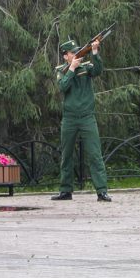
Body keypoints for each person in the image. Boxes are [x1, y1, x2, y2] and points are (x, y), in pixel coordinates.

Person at [51, 39, 112, 202]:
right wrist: (71, 69)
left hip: (87, 117)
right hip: (69, 118)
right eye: (73, 53)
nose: (76, 54)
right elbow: (63, 87)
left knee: (95, 154)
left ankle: (101, 191)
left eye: (78, 52)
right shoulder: (61, 70)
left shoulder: (87, 67)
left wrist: (94, 52)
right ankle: (66, 190)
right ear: (65, 57)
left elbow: (98, 70)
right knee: (67, 155)